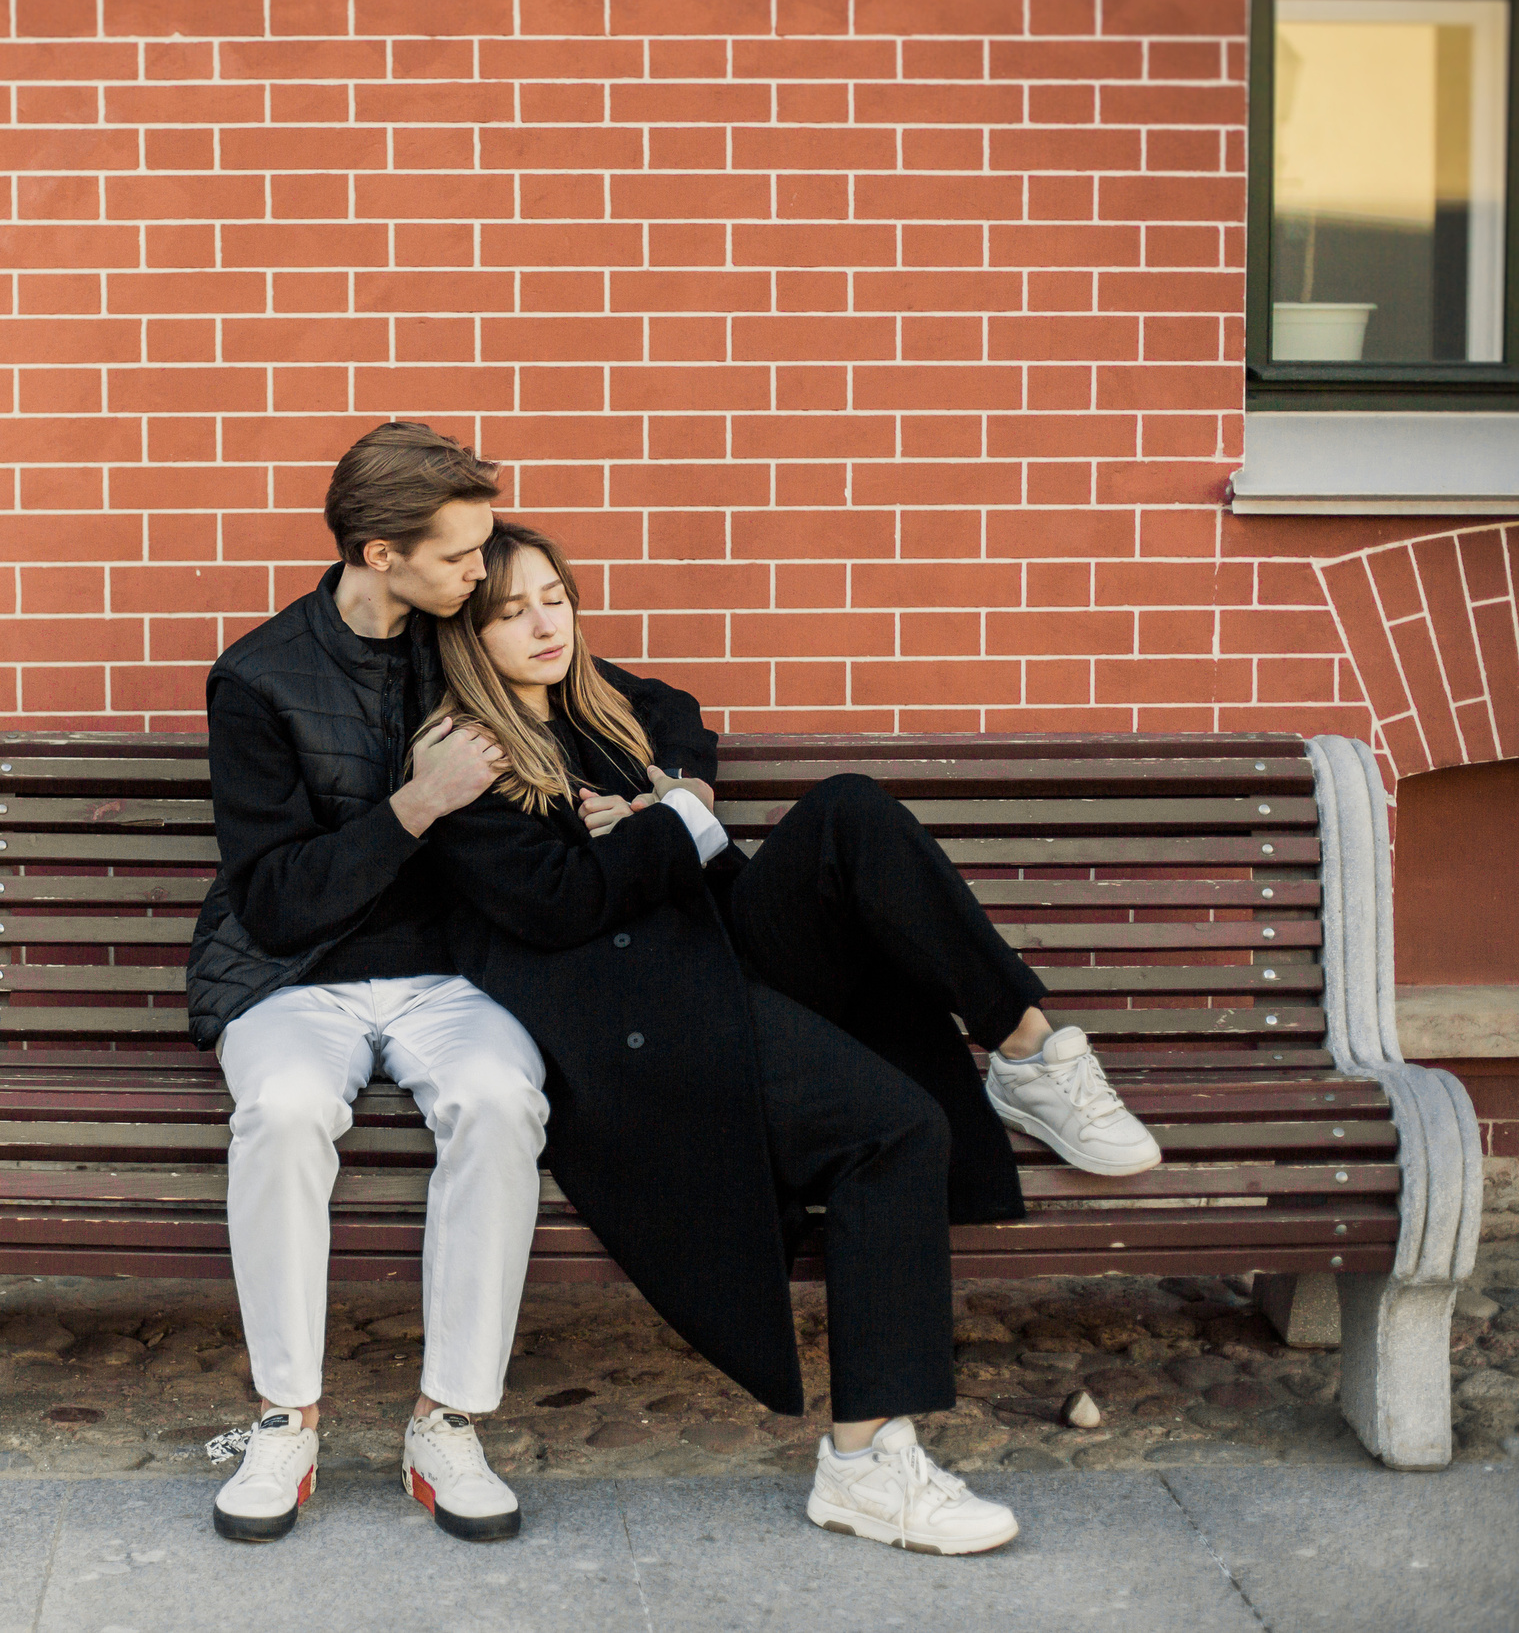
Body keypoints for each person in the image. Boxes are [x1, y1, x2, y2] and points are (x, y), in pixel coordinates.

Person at [414, 520, 1165, 1556]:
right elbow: (560, 908)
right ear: (466, 633)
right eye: (510, 612)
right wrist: (666, 830)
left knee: (849, 812)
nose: (545, 624)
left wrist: (676, 794)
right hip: (643, 1024)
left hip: (713, 956)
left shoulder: (596, 699)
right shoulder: (469, 756)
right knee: (893, 1129)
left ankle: (1029, 1049)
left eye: (555, 597)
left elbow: (675, 713)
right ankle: (863, 1466)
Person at [184, 422, 543, 1545]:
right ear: (377, 552)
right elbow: (278, 898)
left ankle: (448, 1421)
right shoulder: (257, 678)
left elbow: (626, 700)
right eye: (457, 557)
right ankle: (285, 1417)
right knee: (283, 1110)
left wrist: (669, 786)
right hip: (293, 976)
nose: (481, 576)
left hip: (453, 977)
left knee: (499, 1102)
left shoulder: (470, 638)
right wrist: (416, 804)